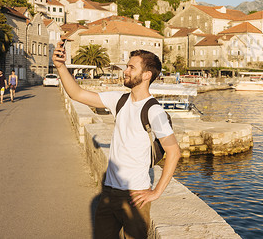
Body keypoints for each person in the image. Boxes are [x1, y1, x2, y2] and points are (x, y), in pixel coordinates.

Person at [52, 42, 181, 239]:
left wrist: (155, 192)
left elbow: (173, 152)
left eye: (131, 68)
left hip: (135, 196)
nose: (125, 71)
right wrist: (60, 66)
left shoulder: (154, 111)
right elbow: (77, 94)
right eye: (127, 67)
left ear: (147, 75)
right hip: (109, 193)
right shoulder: (119, 100)